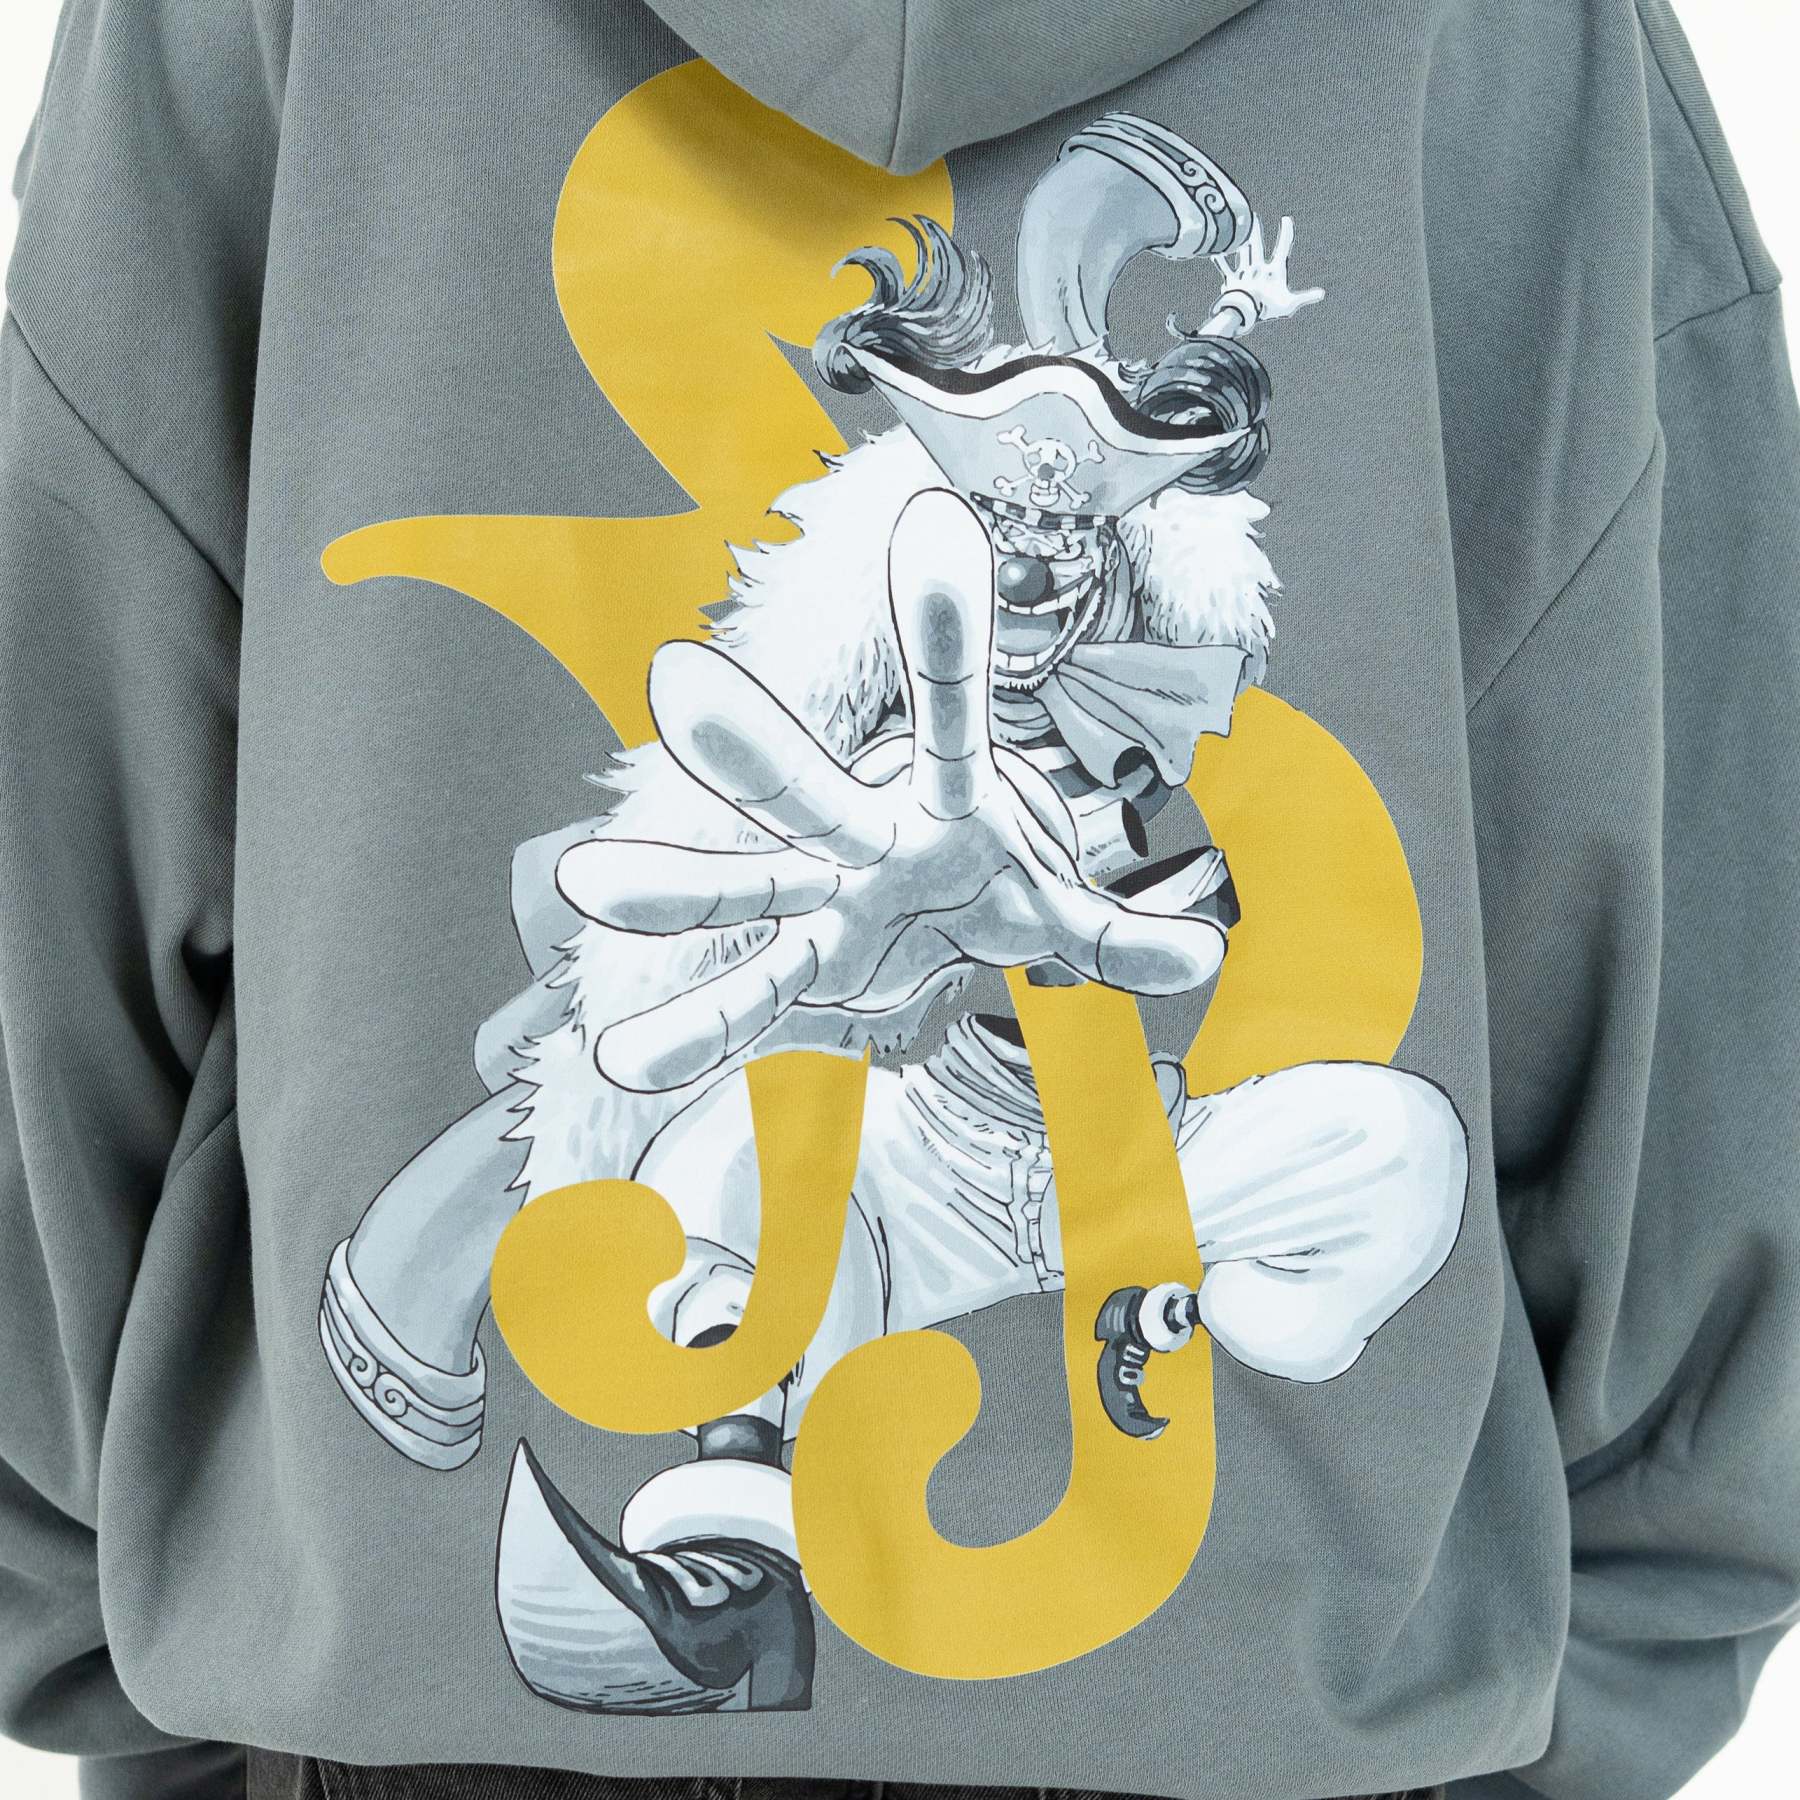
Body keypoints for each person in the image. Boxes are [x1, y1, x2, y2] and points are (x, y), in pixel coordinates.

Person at [1, 1, 1796, 1798]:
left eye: (1076, 526)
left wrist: (173, 1675)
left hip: (1078, 1204)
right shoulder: (1518, 41)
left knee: (1376, 1151)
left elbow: (65, 804)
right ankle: (728, 1549)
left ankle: (1125, 1342)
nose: (1041, 556)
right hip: (907, 1219)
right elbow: (1697, 928)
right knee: (745, 1164)